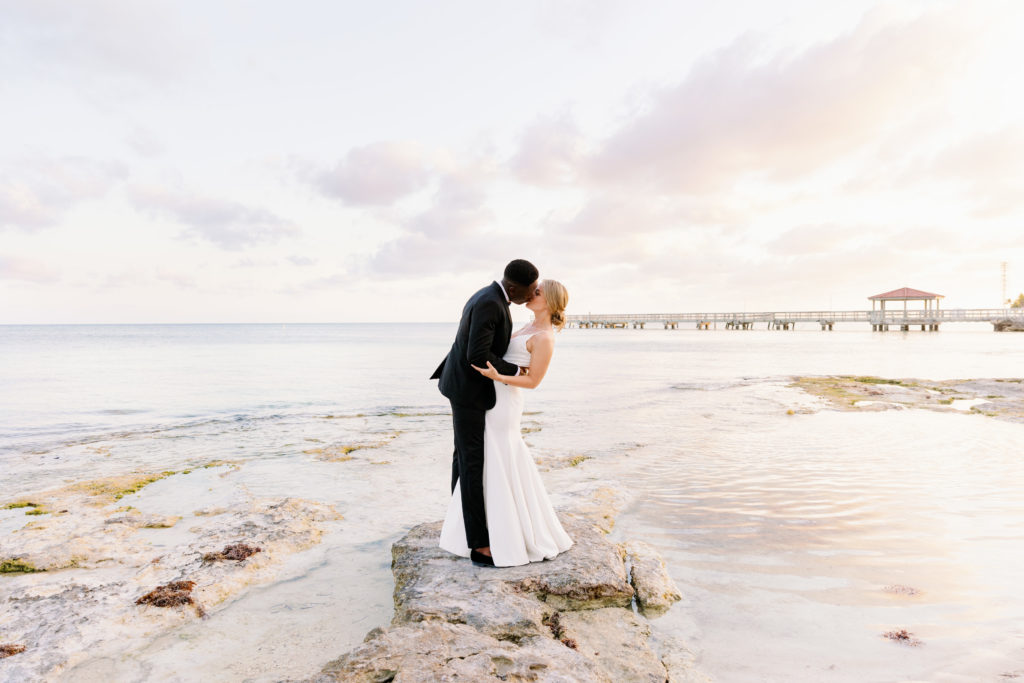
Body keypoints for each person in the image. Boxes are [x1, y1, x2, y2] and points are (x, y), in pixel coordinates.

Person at [438, 279, 573, 567]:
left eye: (537, 292)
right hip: (486, 393)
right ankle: (474, 527)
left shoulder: (545, 337)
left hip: (503, 399)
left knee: (498, 457)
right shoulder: (523, 325)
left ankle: (505, 532)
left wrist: (499, 377)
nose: (530, 294)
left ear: (548, 301)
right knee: (482, 459)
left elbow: (533, 381)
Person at [431, 260, 540, 566]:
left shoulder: (487, 295)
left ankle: (459, 526)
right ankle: (478, 545)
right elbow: (477, 356)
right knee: (471, 460)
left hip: (462, 385)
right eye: (531, 290)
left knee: (463, 457)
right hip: (468, 390)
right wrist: (518, 369)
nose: (532, 295)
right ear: (515, 287)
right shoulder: (491, 304)